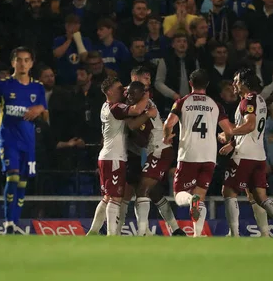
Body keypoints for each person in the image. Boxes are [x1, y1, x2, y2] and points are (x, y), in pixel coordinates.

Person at [0, 47, 48, 234]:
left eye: (26, 60)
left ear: (31, 63)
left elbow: (45, 114)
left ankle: (15, 220)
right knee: (12, 176)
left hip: (28, 141)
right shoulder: (2, 85)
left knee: (22, 182)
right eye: (19, 60)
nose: (23, 63)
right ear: (13, 62)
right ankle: (9, 223)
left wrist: (39, 109)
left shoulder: (38, 87)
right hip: (8, 139)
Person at [219, 68, 273, 237]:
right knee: (259, 196)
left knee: (228, 191)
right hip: (259, 156)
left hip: (244, 155)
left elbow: (250, 125)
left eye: (237, 81)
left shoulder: (247, 101)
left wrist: (229, 133)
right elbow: (252, 131)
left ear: (245, 83)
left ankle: (234, 234)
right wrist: (233, 143)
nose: (234, 84)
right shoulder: (260, 100)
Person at [163, 69, 233, 237]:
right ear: (207, 85)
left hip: (188, 155)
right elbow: (229, 130)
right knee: (200, 194)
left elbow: (168, 124)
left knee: (180, 194)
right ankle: (197, 235)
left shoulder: (182, 102)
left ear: (190, 83)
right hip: (209, 156)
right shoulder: (215, 104)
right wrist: (226, 138)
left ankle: (190, 200)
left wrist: (167, 136)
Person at [86, 77, 155, 236]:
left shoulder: (104, 106)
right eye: (119, 89)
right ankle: (112, 235)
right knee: (115, 197)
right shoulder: (115, 107)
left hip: (106, 156)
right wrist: (145, 96)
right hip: (114, 158)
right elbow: (137, 111)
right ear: (109, 91)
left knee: (107, 197)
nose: (123, 91)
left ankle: (93, 231)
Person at [127, 67, 185, 237]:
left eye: (149, 78)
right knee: (154, 192)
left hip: (160, 150)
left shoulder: (144, 101)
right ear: (134, 78)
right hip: (153, 151)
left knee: (143, 189)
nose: (148, 80)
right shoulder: (137, 97)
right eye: (144, 77)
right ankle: (176, 229)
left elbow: (135, 129)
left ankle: (142, 232)